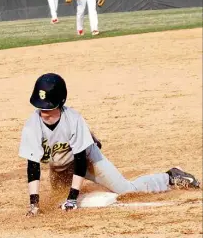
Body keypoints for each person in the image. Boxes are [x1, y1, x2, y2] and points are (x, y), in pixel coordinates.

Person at [18, 73, 200, 216]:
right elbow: (33, 165)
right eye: (41, 107)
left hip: (87, 160)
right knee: (58, 199)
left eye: (49, 107)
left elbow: (80, 161)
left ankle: (168, 176)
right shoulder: (32, 126)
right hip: (59, 169)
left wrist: (73, 198)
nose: (44, 112)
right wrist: (34, 204)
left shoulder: (73, 119)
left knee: (126, 190)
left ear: (61, 103)